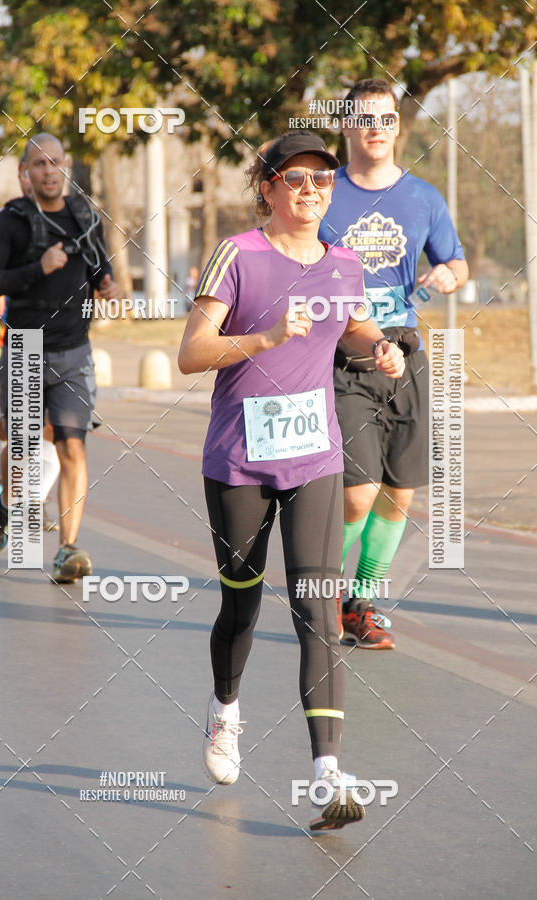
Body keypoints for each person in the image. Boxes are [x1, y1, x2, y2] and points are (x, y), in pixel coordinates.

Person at [178, 131, 405, 830]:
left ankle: (327, 773)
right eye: (296, 180)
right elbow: (191, 353)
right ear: (268, 188)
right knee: (242, 603)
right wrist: (267, 337)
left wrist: (382, 347)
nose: (310, 192)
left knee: (318, 605)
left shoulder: (343, 263)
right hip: (239, 460)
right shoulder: (238, 256)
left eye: (322, 182)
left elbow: (355, 327)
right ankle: (224, 711)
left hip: (315, 457)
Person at [319, 79, 468, 650]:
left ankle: (363, 602)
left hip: (405, 350)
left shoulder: (424, 197)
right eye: (365, 117)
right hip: (344, 351)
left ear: (398, 127)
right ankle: (323, 590)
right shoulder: (325, 191)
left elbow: (455, 263)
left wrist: (447, 276)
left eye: (386, 117)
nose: (376, 126)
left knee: (400, 490)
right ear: (347, 124)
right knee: (358, 488)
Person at [0, 133, 118, 582]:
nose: (49, 171)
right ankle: (2, 497)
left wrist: (107, 283)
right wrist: (40, 267)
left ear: (67, 165)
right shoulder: (10, 222)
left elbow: (99, 266)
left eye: (55, 162)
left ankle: (68, 549)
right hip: (24, 347)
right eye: (39, 164)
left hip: (74, 348)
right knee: (21, 450)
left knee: (72, 444)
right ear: (27, 173)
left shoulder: (84, 215)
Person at [0, 162, 60, 534]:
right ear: (23, 177)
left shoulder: (64, 220)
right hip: (12, 337)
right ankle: (3, 486)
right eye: (32, 170)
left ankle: (34, 499)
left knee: (50, 428)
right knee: (10, 430)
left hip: (59, 340)